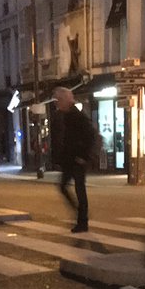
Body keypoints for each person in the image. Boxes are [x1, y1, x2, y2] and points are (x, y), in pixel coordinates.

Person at [51, 86, 96, 233]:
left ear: (65, 100)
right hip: (69, 159)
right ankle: (81, 215)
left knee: (79, 189)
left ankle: (82, 220)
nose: (56, 103)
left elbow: (90, 136)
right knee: (65, 187)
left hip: (77, 159)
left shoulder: (77, 116)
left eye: (58, 100)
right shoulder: (63, 115)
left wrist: (83, 157)